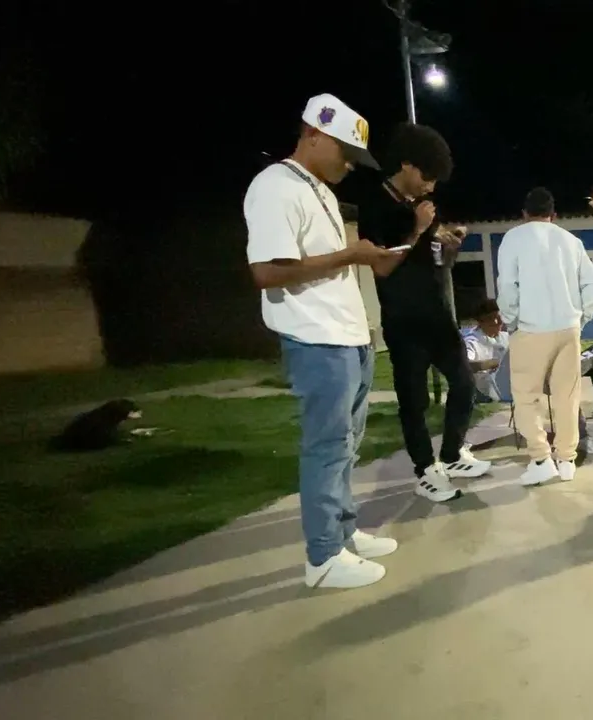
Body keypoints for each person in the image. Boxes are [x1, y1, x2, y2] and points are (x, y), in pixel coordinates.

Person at [244, 93, 402, 590]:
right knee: (327, 448)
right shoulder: (275, 187)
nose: (349, 166)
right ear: (314, 134)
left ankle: (345, 535)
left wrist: (361, 257)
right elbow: (267, 271)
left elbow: (326, 263)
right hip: (317, 339)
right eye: (346, 153)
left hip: (349, 337)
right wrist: (350, 255)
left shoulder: (321, 193)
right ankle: (324, 557)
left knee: (347, 446)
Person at [357, 122, 490, 505]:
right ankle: (425, 471)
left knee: (464, 384)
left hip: (436, 314)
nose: (430, 187)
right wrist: (416, 230)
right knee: (413, 401)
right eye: (427, 177)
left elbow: (431, 257)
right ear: (406, 165)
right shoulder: (376, 205)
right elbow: (382, 267)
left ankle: (451, 454)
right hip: (404, 320)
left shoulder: (422, 206)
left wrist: (447, 243)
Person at [496, 187, 593, 486]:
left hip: (530, 329)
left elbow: (507, 287)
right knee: (567, 397)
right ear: (553, 215)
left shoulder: (513, 238)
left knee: (526, 398)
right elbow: (592, 288)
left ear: (524, 213)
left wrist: (511, 321)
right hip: (568, 329)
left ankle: (541, 459)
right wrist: (582, 318)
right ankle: (566, 460)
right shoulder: (571, 241)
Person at [461, 299, 593, 455]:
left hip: (523, 380)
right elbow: (465, 364)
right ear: (480, 322)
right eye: (490, 319)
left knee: (565, 386)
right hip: (494, 385)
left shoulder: (503, 336)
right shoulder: (473, 341)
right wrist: (491, 363)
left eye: (498, 318)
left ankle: (582, 437)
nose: (496, 323)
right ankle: (575, 363)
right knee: (520, 344)